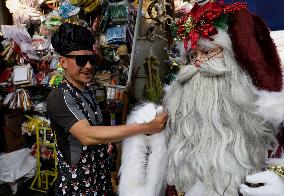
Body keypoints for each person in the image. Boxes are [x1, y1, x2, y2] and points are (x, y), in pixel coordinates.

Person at [118, 0, 284, 196]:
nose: (197, 62)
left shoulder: (268, 116)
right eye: (190, 56)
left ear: (232, 60)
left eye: (206, 52)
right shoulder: (169, 116)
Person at [46, 23, 167, 195]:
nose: (88, 66)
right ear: (63, 62)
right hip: (78, 188)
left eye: (91, 59)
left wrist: (105, 142)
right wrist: (145, 127)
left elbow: (94, 130)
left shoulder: (87, 89)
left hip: (101, 182)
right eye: (81, 60)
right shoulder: (59, 98)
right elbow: (86, 135)